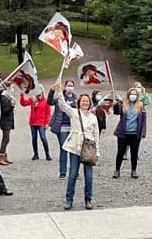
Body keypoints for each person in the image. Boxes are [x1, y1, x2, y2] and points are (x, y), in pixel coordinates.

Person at [52, 80, 100, 210]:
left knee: (89, 176)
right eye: (83, 101)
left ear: (90, 103)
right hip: (75, 147)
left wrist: (98, 152)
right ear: (79, 102)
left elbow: (96, 135)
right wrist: (58, 90)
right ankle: (69, 199)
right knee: (73, 174)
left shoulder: (93, 117)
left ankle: (88, 199)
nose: (85, 103)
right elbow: (62, 105)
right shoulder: (74, 112)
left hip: (88, 148)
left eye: (87, 101)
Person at [112, 88, 147, 179]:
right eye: (131, 94)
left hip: (135, 134)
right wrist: (115, 105)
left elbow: (143, 120)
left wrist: (143, 132)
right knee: (120, 152)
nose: (133, 96)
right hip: (123, 133)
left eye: (135, 94)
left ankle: (134, 170)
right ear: (128, 95)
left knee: (134, 153)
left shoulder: (141, 105)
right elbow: (117, 112)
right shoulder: (123, 104)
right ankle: (117, 170)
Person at [47, 79, 78, 179]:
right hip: (62, 126)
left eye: (71, 85)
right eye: (68, 85)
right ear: (65, 86)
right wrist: (52, 91)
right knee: (64, 148)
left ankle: (74, 171)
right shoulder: (60, 97)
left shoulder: (76, 98)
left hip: (73, 126)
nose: (70, 87)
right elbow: (50, 102)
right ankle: (63, 172)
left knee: (74, 150)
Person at [19, 85, 52, 160]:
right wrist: (22, 94)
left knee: (43, 137)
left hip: (41, 123)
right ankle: (36, 154)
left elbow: (48, 113)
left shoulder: (46, 101)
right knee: (34, 138)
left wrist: (47, 123)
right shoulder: (32, 99)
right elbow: (23, 103)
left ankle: (47, 154)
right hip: (33, 122)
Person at [0, 85, 15, 165]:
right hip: (5, 121)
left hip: (8, 120)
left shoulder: (7, 96)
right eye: (11, 87)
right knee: (6, 139)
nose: (12, 88)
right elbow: (5, 110)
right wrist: (11, 106)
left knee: (7, 139)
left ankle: (4, 156)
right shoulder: (3, 97)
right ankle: (0, 157)